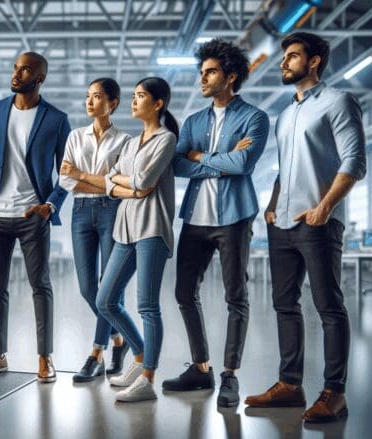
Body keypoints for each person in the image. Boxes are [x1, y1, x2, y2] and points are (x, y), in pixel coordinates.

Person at [244, 32, 366, 423]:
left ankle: (334, 392)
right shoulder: (286, 114)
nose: (284, 62)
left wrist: (324, 208)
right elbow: (285, 169)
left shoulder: (338, 102)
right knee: (285, 304)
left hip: (318, 222)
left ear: (313, 62)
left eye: (293, 56)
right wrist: (271, 204)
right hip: (281, 224)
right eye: (285, 56)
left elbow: (354, 162)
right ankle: (290, 384)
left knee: (329, 306)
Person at [163, 39, 269, 408]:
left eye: (210, 72)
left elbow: (243, 166)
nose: (202, 79)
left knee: (235, 296)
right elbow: (177, 166)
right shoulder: (194, 120)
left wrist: (201, 157)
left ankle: (230, 375)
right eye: (202, 72)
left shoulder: (255, 118)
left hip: (235, 219)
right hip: (195, 219)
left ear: (231, 77)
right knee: (183, 292)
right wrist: (220, 158)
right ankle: (201, 366)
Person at [0, 52, 71, 383]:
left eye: (25, 69)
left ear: (40, 77)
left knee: (40, 286)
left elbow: (68, 173)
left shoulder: (56, 119)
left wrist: (50, 206)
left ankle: (45, 358)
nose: (17, 73)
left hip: (33, 216)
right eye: (16, 66)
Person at [94, 77, 177, 402]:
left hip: (152, 230)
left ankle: (148, 379)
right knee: (105, 300)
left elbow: (142, 179)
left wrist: (124, 182)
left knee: (147, 306)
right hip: (125, 229)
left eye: (141, 96)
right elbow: (111, 179)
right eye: (133, 95)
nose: (133, 101)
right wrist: (130, 186)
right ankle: (140, 354)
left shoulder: (165, 139)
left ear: (158, 104)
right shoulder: (130, 142)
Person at [58, 78, 132, 382]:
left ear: (112, 103)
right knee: (89, 288)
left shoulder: (125, 141)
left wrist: (82, 175)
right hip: (80, 213)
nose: (90, 101)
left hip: (111, 212)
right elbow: (65, 179)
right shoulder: (76, 137)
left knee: (109, 287)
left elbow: (120, 182)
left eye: (97, 96)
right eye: (88, 96)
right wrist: (98, 180)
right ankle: (120, 338)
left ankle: (96, 353)